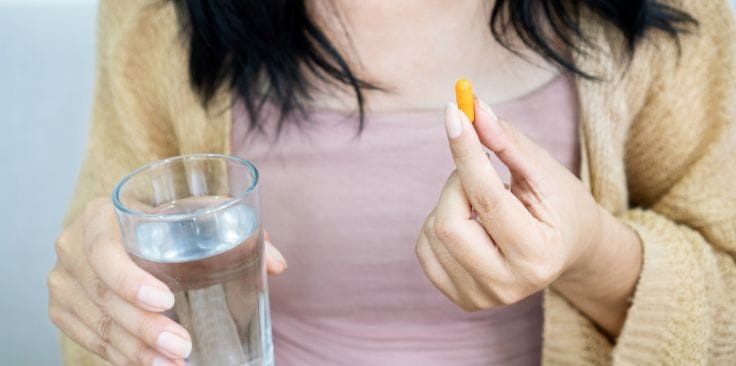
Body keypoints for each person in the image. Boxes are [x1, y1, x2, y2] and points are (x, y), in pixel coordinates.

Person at [48, 0, 736, 365]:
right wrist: (106, 303)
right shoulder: (159, 16)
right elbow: (104, 289)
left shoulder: (669, 19)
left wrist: (593, 256)